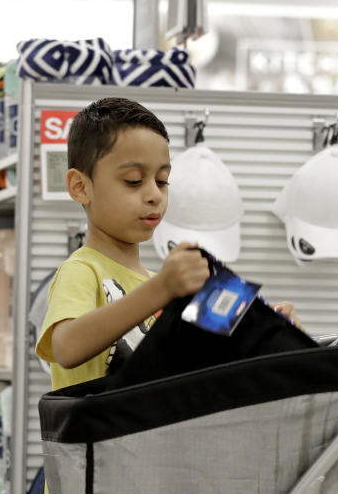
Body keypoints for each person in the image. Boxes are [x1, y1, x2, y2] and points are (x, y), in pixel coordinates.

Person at [35, 97, 210, 390]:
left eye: (162, 180)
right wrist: (162, 290)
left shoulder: (159, 284)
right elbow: (66, 347)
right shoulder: (82, 271)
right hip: (99, 436)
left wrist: (264, 330)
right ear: (80, 187)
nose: (154, 194)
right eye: (133, 181)